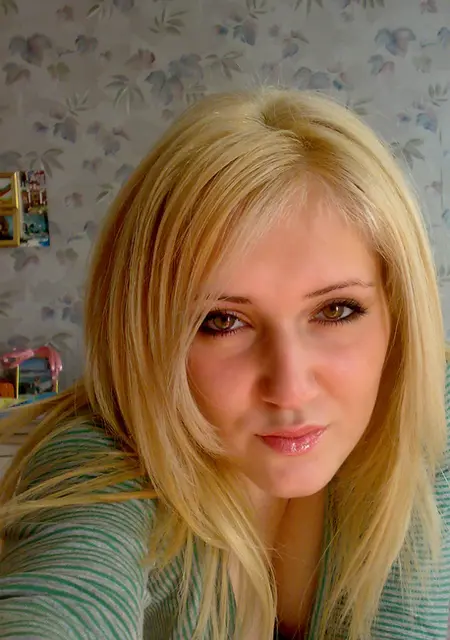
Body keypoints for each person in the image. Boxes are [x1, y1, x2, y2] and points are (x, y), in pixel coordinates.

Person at [0, 87, 449, 640]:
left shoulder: (432, 420)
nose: (290, 388)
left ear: (398, 314)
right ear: (147, 336)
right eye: (222, 321)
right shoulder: (98, 463)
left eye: (336, 310)